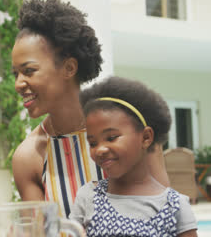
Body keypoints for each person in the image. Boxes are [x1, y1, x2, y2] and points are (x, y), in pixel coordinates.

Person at [11, 0, 169, 218]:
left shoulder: (134, 128)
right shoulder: (28, 158)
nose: (18, 84)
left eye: (28, 71)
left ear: (69, 67)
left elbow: (166, 219)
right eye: (15, 74)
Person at [70, 76, 197, 236]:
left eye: (111, 138)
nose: (100, 149)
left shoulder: (175, 206)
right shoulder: (89, 197)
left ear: (145, 138)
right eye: (93, 143)